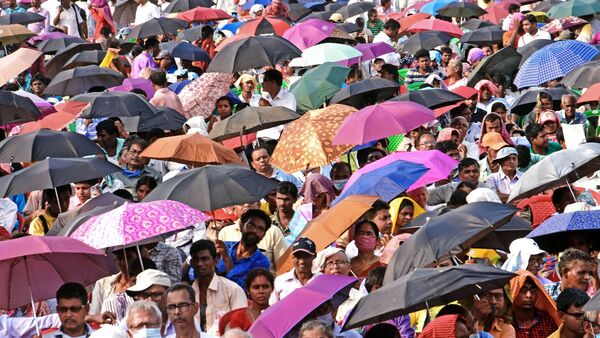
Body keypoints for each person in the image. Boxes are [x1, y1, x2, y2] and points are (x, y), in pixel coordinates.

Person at [189, 240, 247, 337]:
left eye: (204, 259)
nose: (200, 264)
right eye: (196, 259)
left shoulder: (233, 290)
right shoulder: (188, 294)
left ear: (216, 260)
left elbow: (241, 327)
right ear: (191, 263)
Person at [216, 209, 271, 289]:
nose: (255, 231)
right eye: (251, 225)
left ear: (263, 235)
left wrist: (227, 260)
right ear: (241, 226)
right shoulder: (224, 246)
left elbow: (245, 290)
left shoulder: (261, 263)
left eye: (260, 229)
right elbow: (196, 273)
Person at [220, 268, 274, 334]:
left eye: (265, 287)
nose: (261, 291)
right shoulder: (239, 317)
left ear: (272, 289)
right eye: (256, 287)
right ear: (248, 291)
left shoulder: (277, 315)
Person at [509, 270, 560, 337]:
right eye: (523, 290)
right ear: (514, 291)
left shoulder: (548, 321)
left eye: (533, 290)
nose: (529, 295)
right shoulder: (505, 324)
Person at [286, 174, 335, 243]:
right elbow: (295, 234)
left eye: (319, 195)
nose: (315, 198)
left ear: (326, 193)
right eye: (312, 194)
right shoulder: (302, 210)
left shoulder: (335, 208)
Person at [270, 237, 320, 304]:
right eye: (298, 257)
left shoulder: (321, 280)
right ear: (292, 257)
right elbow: (272, 308)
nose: (302, 261)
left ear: (314, 256)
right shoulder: (280, 281)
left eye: (306, 256)